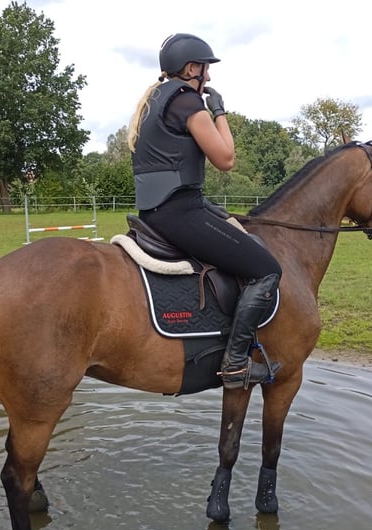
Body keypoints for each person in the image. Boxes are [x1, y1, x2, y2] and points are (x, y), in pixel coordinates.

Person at [127, 32, 282, 390]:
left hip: (159, 211)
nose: (208, 78)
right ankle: (236, 365)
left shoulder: (154, 100)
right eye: (206, 70)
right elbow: (225, 159)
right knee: (266, 269)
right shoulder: (186, 102)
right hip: (179, 213)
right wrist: (219, 112)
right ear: (190, 67)